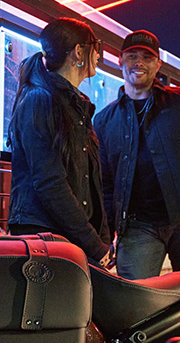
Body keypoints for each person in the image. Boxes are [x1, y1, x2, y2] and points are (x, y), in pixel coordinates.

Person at [94, 30, 180, 279]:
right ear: (120, 60)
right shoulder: (104, 120)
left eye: (147, 57)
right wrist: (107, 234)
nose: (139, 62)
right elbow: (105, 183)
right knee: (136, 297)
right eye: (132, 56)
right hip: (137, 227)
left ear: (157, 64)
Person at [6, 17, 111, 263]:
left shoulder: (75, 105)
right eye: (96, 47)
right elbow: (50, 182)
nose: (99, 56)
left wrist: (100, 239)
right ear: (79, 52)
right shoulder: (40, 100)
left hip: (70, 238)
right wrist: (93, 243)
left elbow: (88, 183)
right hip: (46, 238)